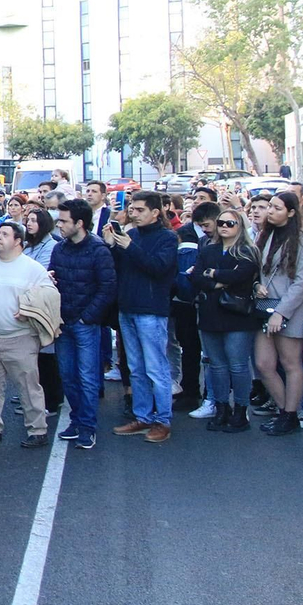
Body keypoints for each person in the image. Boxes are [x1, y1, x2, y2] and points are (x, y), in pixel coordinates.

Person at [0, 221, 55, 447]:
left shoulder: (33, 268)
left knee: (28, 385)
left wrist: (31, 311)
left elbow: (50, 294)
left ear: (18, 242)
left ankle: (37, 430)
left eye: (5, 234)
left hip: (21, 337)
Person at [108, 191, 180, 443]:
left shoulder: (168, 238)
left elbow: (158, 268)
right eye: (132, 209)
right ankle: (143, 416)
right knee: (136, 368)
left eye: (139, 210)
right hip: (128, 308)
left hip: (151, 310)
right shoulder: (132, 235)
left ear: (155, 213)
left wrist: (129, 247)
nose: (133, 214)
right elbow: (121, 268)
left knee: (156, 368)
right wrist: (113, 246)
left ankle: (163, 420)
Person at [51, 200, 117, 449]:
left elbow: (107, 287)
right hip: (63, 322)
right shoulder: (60, 249)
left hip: (85, 324)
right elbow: (53, 278)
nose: (59, 224)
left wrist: (87, 317)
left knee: (88, 378)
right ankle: (77, 420)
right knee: (68, 376)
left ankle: (87, 427)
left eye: (64, 221)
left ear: (79, 223)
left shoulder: (99, 250)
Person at [253, 191, 303, 436]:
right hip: (265, 306)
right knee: (263, 363)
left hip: (290, 310)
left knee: (290, 363)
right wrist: (255, 286)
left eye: (277, 208)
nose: (270, 211)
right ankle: (284, 410)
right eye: (270, 206)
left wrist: (281, 313)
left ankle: (290, 413)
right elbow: (258, 270)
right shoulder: (266, 234)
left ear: (291, 212)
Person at [191, 209, 260, 433]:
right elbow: (194, 276)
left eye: (230, 223)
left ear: (240, 225)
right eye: (221, 222)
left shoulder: (248, 251)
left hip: (238, 314)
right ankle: (221, 408)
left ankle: (241, 410)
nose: (224, 226)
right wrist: (216, 281)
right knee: (216, 365)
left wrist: (213, 274)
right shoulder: (207, 249)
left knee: (238, 365)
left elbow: (242, 276)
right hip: (210, 313)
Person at [174, 200, 218, 415]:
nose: (205, 230)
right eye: (201, 225)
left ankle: (216, 398)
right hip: (190, 302)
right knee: (190, 349)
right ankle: (190, 391)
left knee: (213, 355)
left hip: (215, 305)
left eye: (207, 224)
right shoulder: (189, 236)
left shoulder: (226, 241)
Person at [20, 208, 64, 415]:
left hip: (42, 306)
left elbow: (39, 271)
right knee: (32, 355)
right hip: (28, 304)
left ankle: (52, 400)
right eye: (27, 220)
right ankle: (34, 397)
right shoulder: (28, 245)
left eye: (34, 221)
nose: (29, 224)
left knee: (46, 355)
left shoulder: (51, 246)